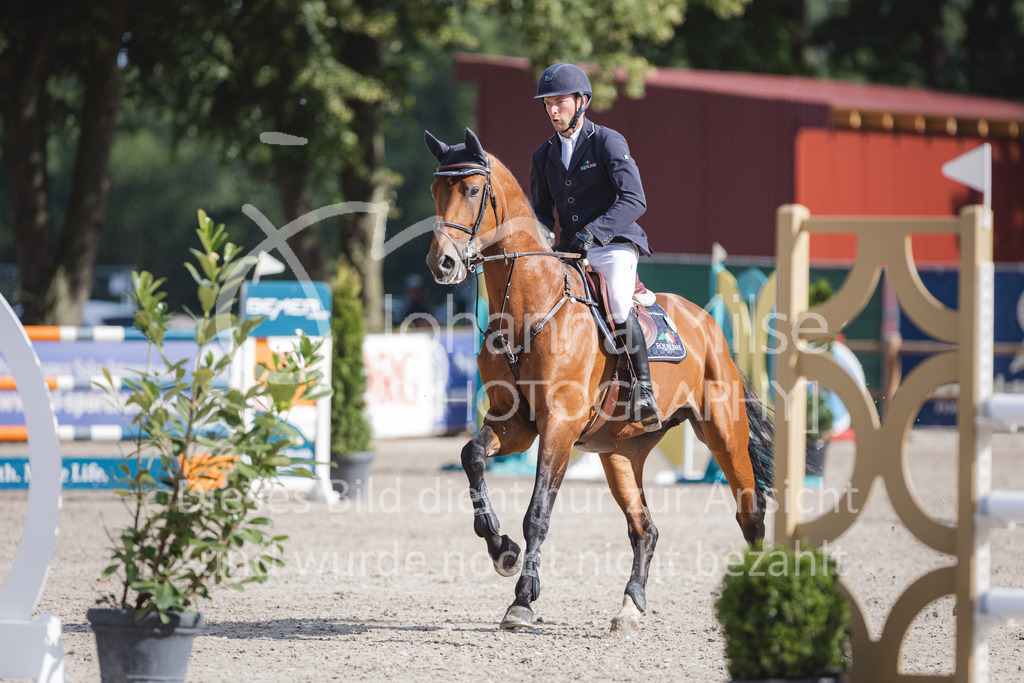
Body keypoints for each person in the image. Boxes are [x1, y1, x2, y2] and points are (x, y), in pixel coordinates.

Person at [529, 62, 661, 432]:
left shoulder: (606, 141)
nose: (553, 110)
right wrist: (537, 242)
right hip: (570, 251)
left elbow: (634, 199)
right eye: (547, 104)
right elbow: (540, 212)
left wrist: (594, 232)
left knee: (618, 302)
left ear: (581, 101)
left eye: (560, 102)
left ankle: (644, 389)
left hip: (615, 243)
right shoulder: (543, 156)